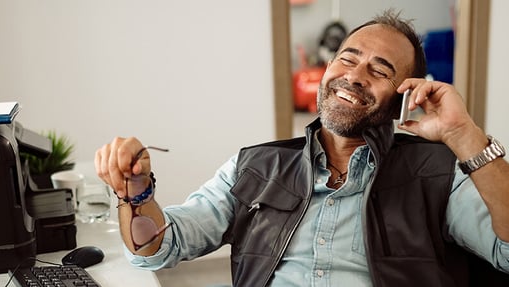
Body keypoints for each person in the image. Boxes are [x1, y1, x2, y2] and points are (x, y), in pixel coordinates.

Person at [95, 10, 509, 287]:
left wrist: (464, 134)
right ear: (327, 69)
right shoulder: (255, 167)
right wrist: (136, 188)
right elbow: (157, 248)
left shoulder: (438, 173)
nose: (355, 76)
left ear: (405, 97)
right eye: (347, 59)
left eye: (380, 70)